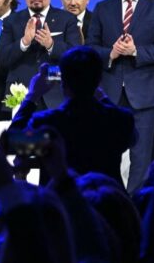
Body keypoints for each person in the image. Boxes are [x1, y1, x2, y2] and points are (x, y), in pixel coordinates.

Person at [87, 0, 154, 194]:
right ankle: (108, 201)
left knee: (142, 157)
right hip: (109, 95)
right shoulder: (102, 8)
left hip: (146, 95)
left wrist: (136, 51)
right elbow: (91, 47)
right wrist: (111, 53)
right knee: (105, 154)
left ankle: (135, 208)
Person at [10, 47, 136, 185]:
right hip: (104, 200)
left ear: (63, 83)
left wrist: (32, 96)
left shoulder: (46, 123)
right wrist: (102, 97)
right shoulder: (119, 120)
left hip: (59, 202)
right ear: (99, 79)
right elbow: (132, 138)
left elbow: (12, 141)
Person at [0, 0, 81, 111]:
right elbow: (2, 58)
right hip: (21, 97)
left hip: (57, 96)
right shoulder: (11, 21)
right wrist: (23, 42)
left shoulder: (67, 19)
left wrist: (51, 45)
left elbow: (76, 58)